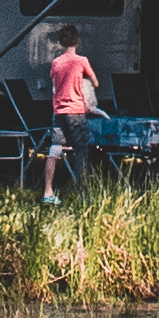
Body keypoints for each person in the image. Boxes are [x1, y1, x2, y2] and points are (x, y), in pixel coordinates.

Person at [40, 28, 103, 203]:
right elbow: (95, 82)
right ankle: (82, 194)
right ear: (78, 42)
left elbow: (54, 86)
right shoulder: (82, 61)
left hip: (59, 111)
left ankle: (47, 193)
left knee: (54, 150)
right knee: (81, 151)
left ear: (60, 43)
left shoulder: (56, 63)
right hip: (76, 112)